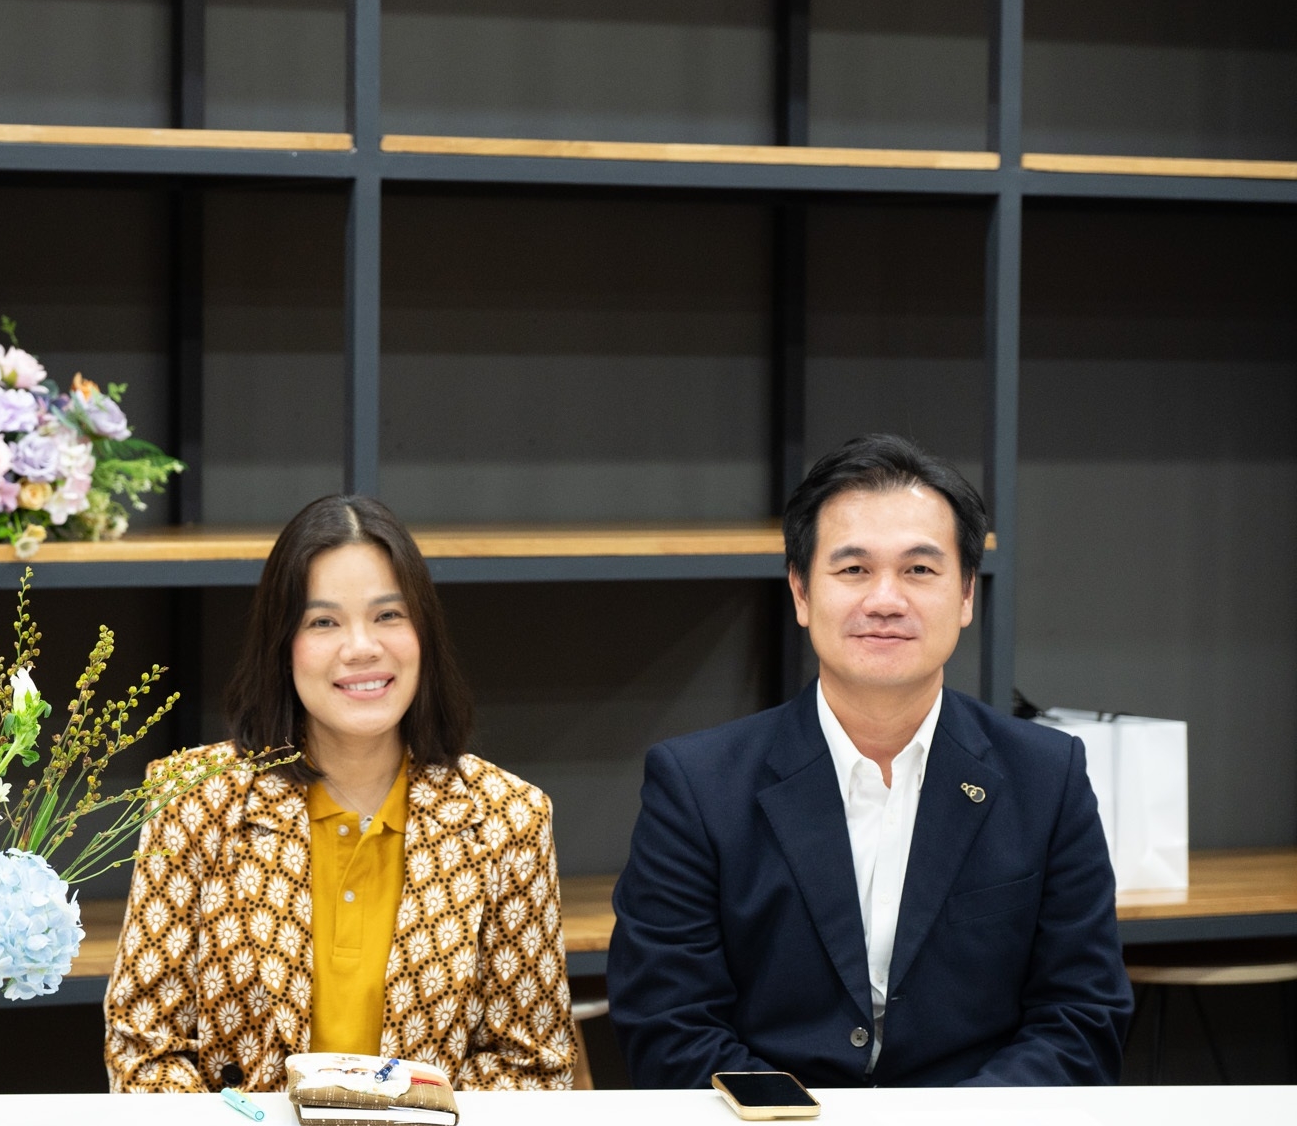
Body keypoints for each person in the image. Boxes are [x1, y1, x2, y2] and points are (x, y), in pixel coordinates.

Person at [608, 434, 1132, 1088]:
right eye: (853, 569)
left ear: (967, 593)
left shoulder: (1046, 777)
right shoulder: (697, 785)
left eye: (920, 570)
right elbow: (668, 1023)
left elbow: (1082, 1015)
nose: (885, 599)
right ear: (800, 592)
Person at [105, 495, 574, 1091]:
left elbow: (533, 1062)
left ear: (423, 632)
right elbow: (145, 1050)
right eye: (323, 622)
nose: (361, 647)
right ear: (283, 644)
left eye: (388, 616)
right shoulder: (195, 802)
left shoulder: (509, 817)